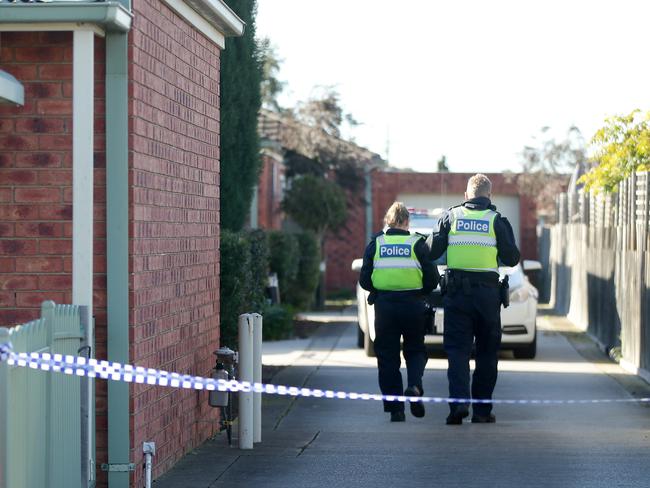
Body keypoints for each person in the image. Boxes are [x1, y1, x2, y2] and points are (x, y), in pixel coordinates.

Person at [427, 174, 519, 425]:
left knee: (457, 351)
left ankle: (458, 405)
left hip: (457, 295)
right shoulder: (496, 220)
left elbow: (432, 251)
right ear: (490, 196)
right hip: (488, 297)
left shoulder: (451, 216)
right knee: (487, 354)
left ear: (466, 196)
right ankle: (481, 411)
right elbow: (512, 259)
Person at [359, 202, 439, 422]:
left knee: (387, 358)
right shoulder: (418, 244)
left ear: (388, 221)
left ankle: (396, 410)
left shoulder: (376, 244)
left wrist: (381, 289)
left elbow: (365, 280)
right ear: (406, 221)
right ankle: (414, 386)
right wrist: (419, 292)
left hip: (385, 308)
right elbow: (432, 280)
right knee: (415, 351)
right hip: (413, 305)